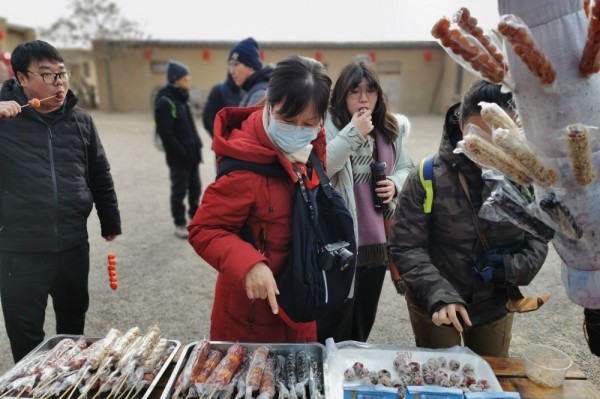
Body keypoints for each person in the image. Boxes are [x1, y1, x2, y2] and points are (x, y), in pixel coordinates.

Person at [387, 79, 549, 357]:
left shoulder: (526, 179)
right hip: (434, 303)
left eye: (499, 138)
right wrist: (439, 294)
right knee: (441, 377)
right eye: (477, 136)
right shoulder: (428, 175)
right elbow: (405, 245)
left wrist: (510, 268)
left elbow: (539, 239)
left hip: (493, 304)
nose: (486, 149)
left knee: (490, 374)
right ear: (461, 124)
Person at [188, 55, 332, 342]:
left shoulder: (312, 147)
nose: (298, 131)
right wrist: (249, 263)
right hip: (250, 314)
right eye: (288, 120)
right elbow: (204, 229)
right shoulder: (245, 164)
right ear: (269, 103)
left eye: (309, 122)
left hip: (301, 301)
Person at [0, 40, 121, 363]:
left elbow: (99, 172)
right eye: (47, 75)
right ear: (22, 79)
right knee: (26, 335)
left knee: (72, 326)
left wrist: (110, 220)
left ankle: (67, 379)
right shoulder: (4, 119)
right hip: (20, 249)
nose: (59, 83)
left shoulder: (80, 121)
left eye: (62, 74)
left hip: (72, 243)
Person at [316, 61, 414, 344]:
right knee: (335, 316)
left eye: (370, 91)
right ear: (341, 95)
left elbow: (407, 167)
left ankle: (353, 367)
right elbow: (324, 167)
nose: (363, 98)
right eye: (354, 91)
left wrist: (394, 184)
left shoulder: (387, 129)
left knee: (363, 315)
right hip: (341, 241)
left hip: (376, 241)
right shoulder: (329, 125)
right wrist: (354, 131)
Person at [154, 60, 203, 239]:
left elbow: (190, 126)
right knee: (179, 191)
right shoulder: (165, 102)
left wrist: (198, 145)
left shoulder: (183, 98)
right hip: (180, 159)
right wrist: (181, 153)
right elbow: (166, 134)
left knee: (195, 189)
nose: (189, 80)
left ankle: (195, 219)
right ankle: (180, 223)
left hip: (192, 156)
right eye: (185, 77)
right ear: (175, 79)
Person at [227, 37, 273, 107]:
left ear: (251, 66)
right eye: (230, 65)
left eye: (236, 64)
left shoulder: (259, 94)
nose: (231, 71)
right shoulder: (250, 90)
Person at [202, 72, 242, 138]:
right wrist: (219, 137)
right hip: (224, 139)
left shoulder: (249, 91)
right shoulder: (219, 90)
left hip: (244, 141)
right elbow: (208, 117)